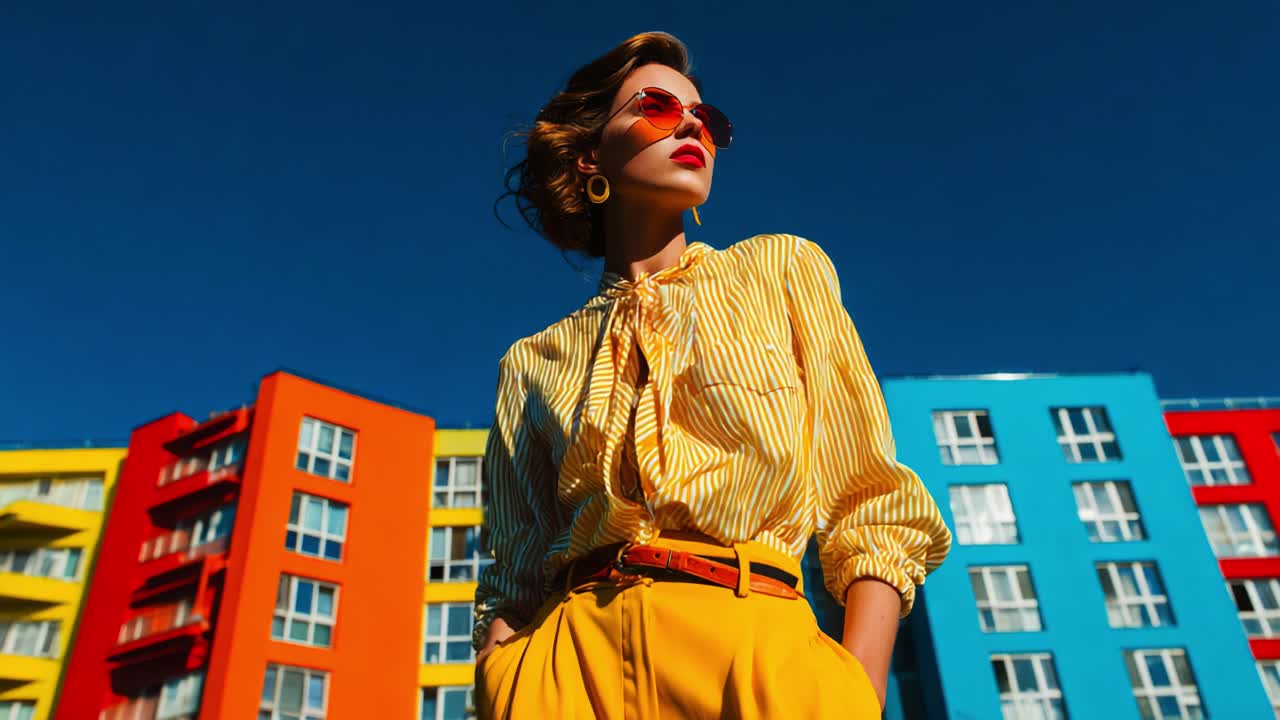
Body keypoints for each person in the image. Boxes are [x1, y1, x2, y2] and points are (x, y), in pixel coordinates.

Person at [474, 30, 952, 719]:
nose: (693, 124)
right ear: (587, 157)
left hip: (756, 652)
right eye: (659, 108)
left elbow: (870, 501)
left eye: (707, 117)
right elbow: (513, 576)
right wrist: (504, 680)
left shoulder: (781, 270)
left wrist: (856, 689)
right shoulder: (532, 361)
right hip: (565, 670)